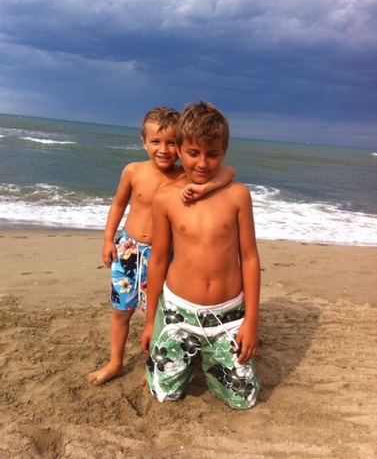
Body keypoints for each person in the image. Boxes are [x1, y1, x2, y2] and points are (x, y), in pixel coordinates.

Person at [88, 106, 235, 386]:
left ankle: (153, 364)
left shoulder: (184, 176)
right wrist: (108, 239)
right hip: (128, 250)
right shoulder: (133, 171)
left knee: (156, 314)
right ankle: (115, 362)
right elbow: (119, 203)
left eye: (171, 143)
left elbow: (228, 170)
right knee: (121, 311)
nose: (164, 149)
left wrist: (203, 189)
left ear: (180, 145)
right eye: (155, 141)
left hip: (162, 255)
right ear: (143, 142)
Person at [141, 100, 260, 409]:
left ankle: (209, 359)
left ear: (224, 152)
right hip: (177, 313)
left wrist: (251, 322)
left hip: (229, 316)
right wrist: (150, 320)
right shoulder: (166, 198)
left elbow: (249, 258)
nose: (203, 163)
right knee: (164, 395)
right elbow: (157, 260)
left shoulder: (237, 196)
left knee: (243, 400)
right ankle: (184, 360)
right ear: (180, 150)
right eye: (194, 153)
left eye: (213, 154)